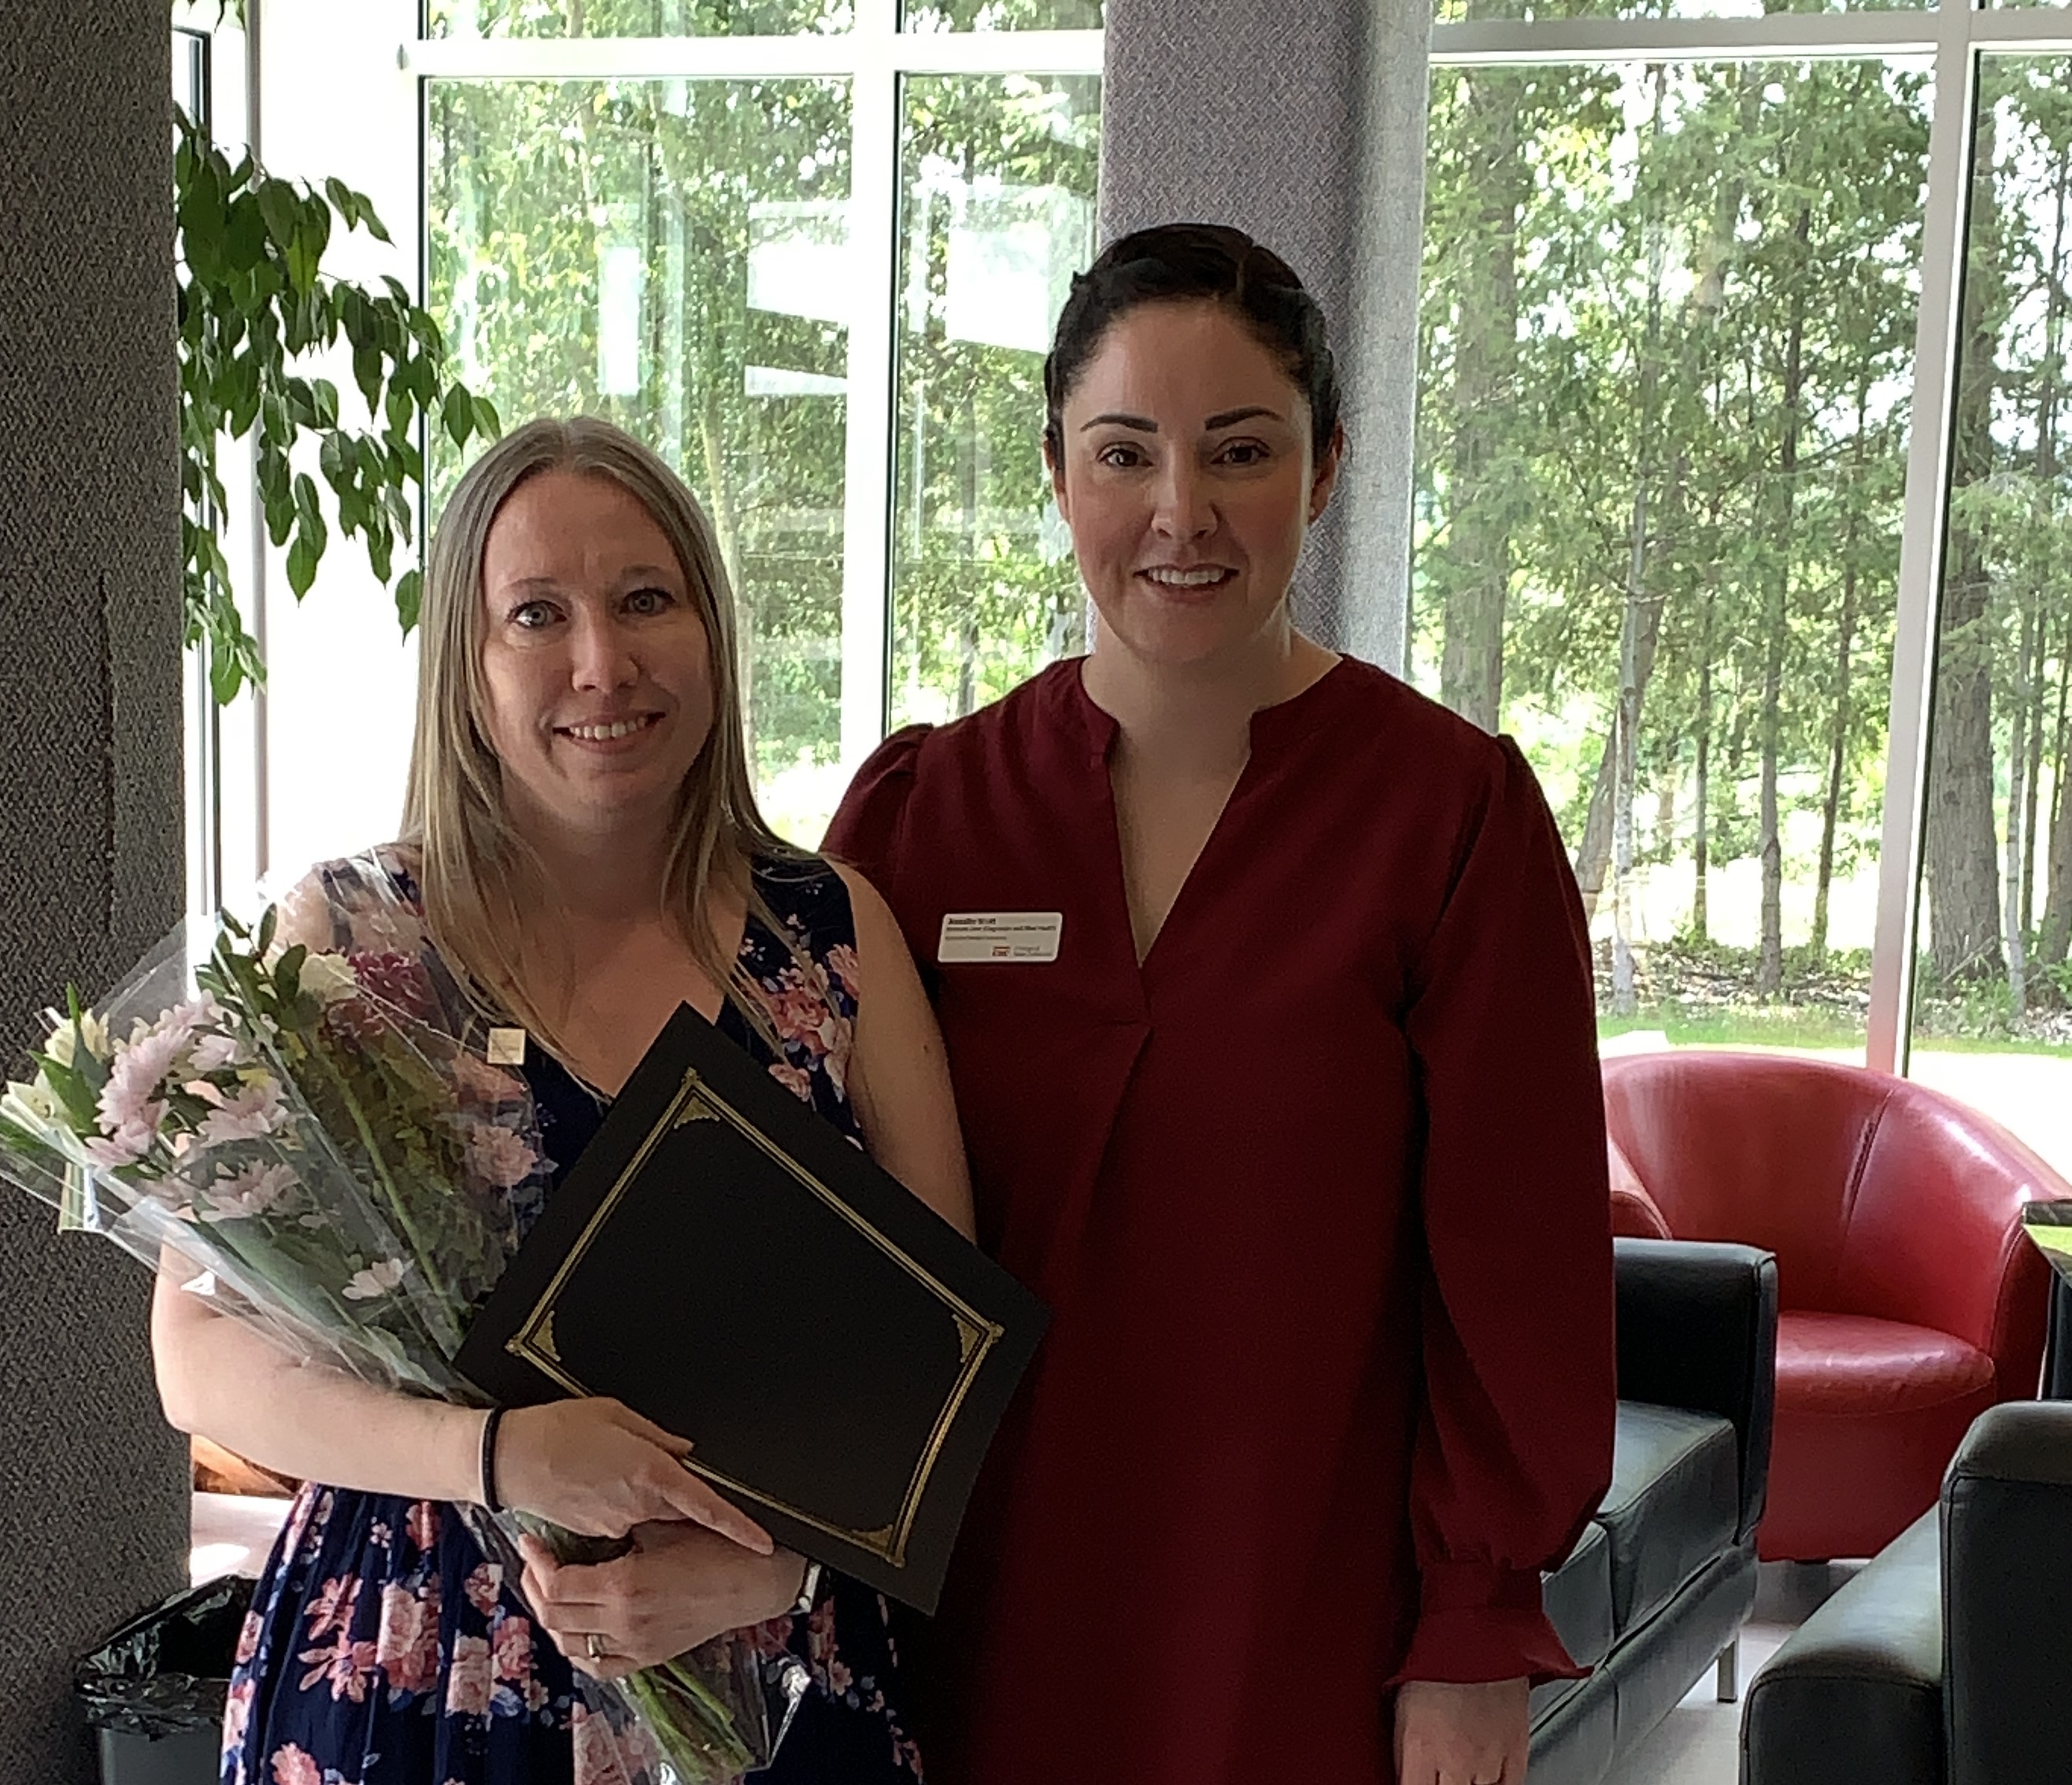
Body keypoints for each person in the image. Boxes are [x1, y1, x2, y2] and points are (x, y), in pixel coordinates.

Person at [823, 224, 1616, 1785]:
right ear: (1057, 473)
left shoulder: (1449, 822)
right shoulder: (925, 819)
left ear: (1324, 470)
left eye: (1239, 450)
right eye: (1125, 453)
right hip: (962, 1614)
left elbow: (1515, 1272)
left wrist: (1472, 1627)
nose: (1179, 513)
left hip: (1293, 1626)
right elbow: (815, 1219)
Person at [152, 416, 972, 1785]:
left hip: (767, 1681)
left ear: (711, 633)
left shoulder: (829, 940)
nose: (605, 662)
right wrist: (499, 1455)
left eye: (647, 600)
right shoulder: (352, 948)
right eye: (538, 614)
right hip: (415, 1671)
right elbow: (199, 1357)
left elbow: (938, 1365)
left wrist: (773, 1571)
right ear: (468, 672)